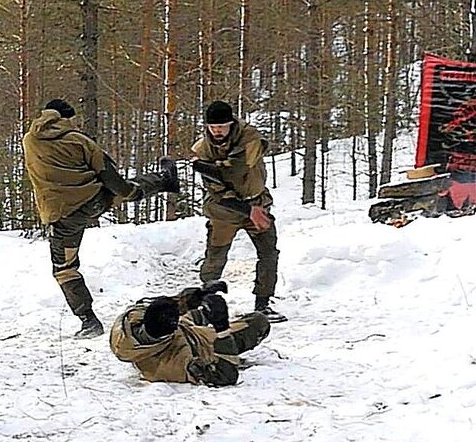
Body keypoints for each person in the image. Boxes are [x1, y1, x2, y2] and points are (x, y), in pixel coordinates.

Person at [23, 98, 178, 339]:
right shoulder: (79, 141)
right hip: (92, 201)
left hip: (62, 217)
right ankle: (165, 179)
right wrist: (131, 193)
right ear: (65, 118)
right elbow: (111, 178)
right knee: (129, 190)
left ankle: (88, 321)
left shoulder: (29, 140)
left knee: (65, 269)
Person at [191, 100, 285, 323]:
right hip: (225, 208)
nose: (217, 132)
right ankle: (207, 302)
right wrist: (245, 209)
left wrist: (205, 166)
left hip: (257, 203)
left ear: (232, 124)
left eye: (222, 127)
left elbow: (236, 170)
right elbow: (215, 189)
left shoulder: (250, 138)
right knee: (215, 256)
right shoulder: (203, 148)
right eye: (212, 128)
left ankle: (263, 303)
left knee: (269, 252)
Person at [109, 282, 271, 386]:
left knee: (208, 307)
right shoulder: (168, 366)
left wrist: (194, 298)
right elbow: (224, 376)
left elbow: (159, 306)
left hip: (185, 327)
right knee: (258, 322)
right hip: (203, 344)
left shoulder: (132, 319)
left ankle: (205, 312)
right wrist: (222, 329)